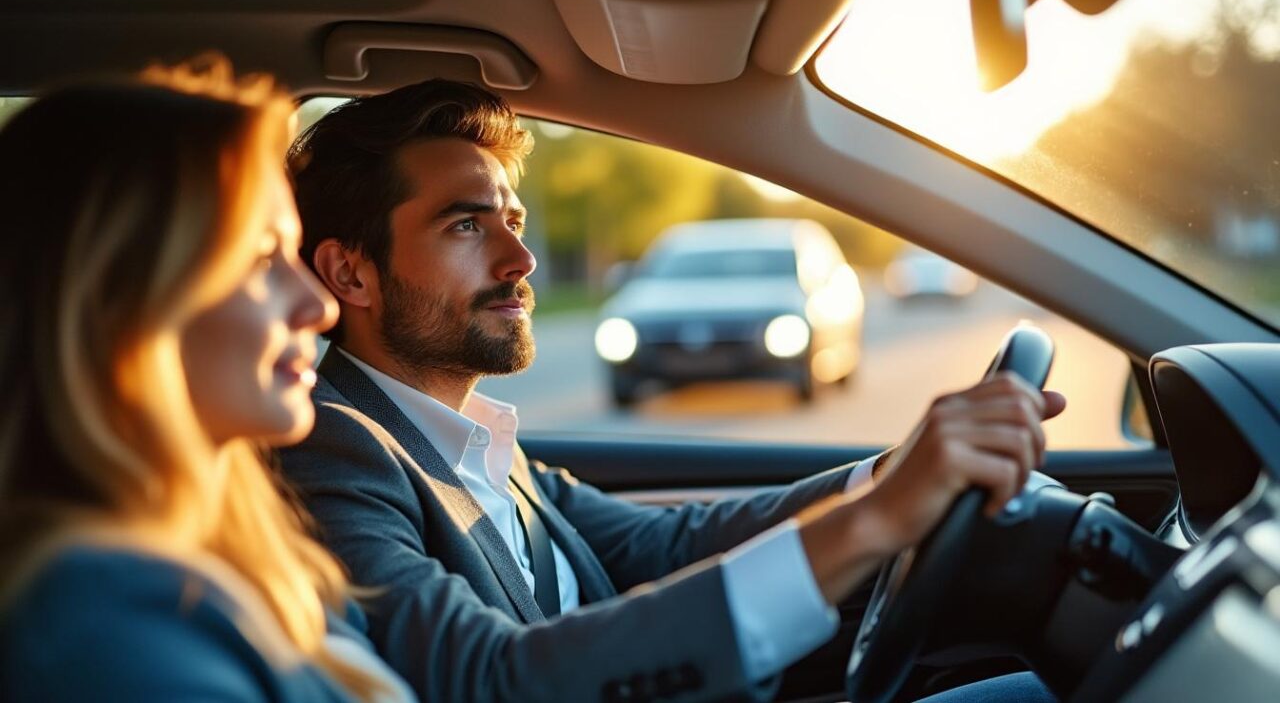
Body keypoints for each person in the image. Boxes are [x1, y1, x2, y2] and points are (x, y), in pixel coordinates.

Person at [280, 79, 1064, 703]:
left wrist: (890, 473)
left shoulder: (476, 439)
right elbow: (487, 677)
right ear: (351, 272)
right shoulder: (330, 449)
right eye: (465, 225)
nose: (520, 257)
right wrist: (876, 520)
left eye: (512, 219)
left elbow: (669, 544)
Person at [0, 60, 416, 702]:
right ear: (116, 301)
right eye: (259, 258)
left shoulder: (243, 551)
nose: (320, 307)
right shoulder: (101, 623)